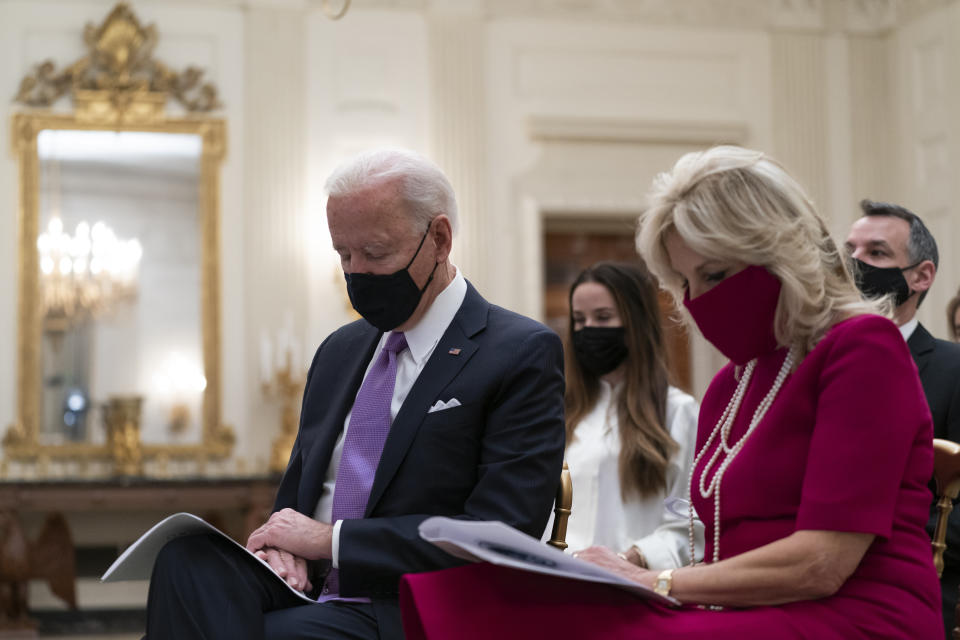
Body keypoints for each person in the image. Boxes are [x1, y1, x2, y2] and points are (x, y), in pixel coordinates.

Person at [398, 145, 942, 639]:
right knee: (479, 602)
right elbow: (712, 543)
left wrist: (657, 582)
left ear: (781, 251)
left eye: (715, 273)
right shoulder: (733, 383)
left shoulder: (861, 347)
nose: (697, 300)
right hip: (745, 609)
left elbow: (822, 563)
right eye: (685, 283)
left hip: (858, 615)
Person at [143, 148, 566, 640]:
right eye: (343, 254)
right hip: (307, 589)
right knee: (185, 560)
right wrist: (284, 549)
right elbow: (296, 500)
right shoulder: (340, 351)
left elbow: (502, 531)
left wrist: (330, 541)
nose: (355, 271)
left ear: (440, 238)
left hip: (405, 603)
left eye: (375, 253)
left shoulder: (517, 352)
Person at [846, 201, 960, 638]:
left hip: (922, 593)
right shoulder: (807, 365)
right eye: (850, 252)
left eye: (875, 254)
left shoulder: (953, 371)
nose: (855, 264)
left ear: (921, 276)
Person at [554, 261, 702, 569]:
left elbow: (689, 523)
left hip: (637, 586)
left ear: (636, 323)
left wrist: (632, 557)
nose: (588, 329)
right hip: (560, 585)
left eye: (603, 317)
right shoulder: (559, 412)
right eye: (579, 320)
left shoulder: (679, 413)